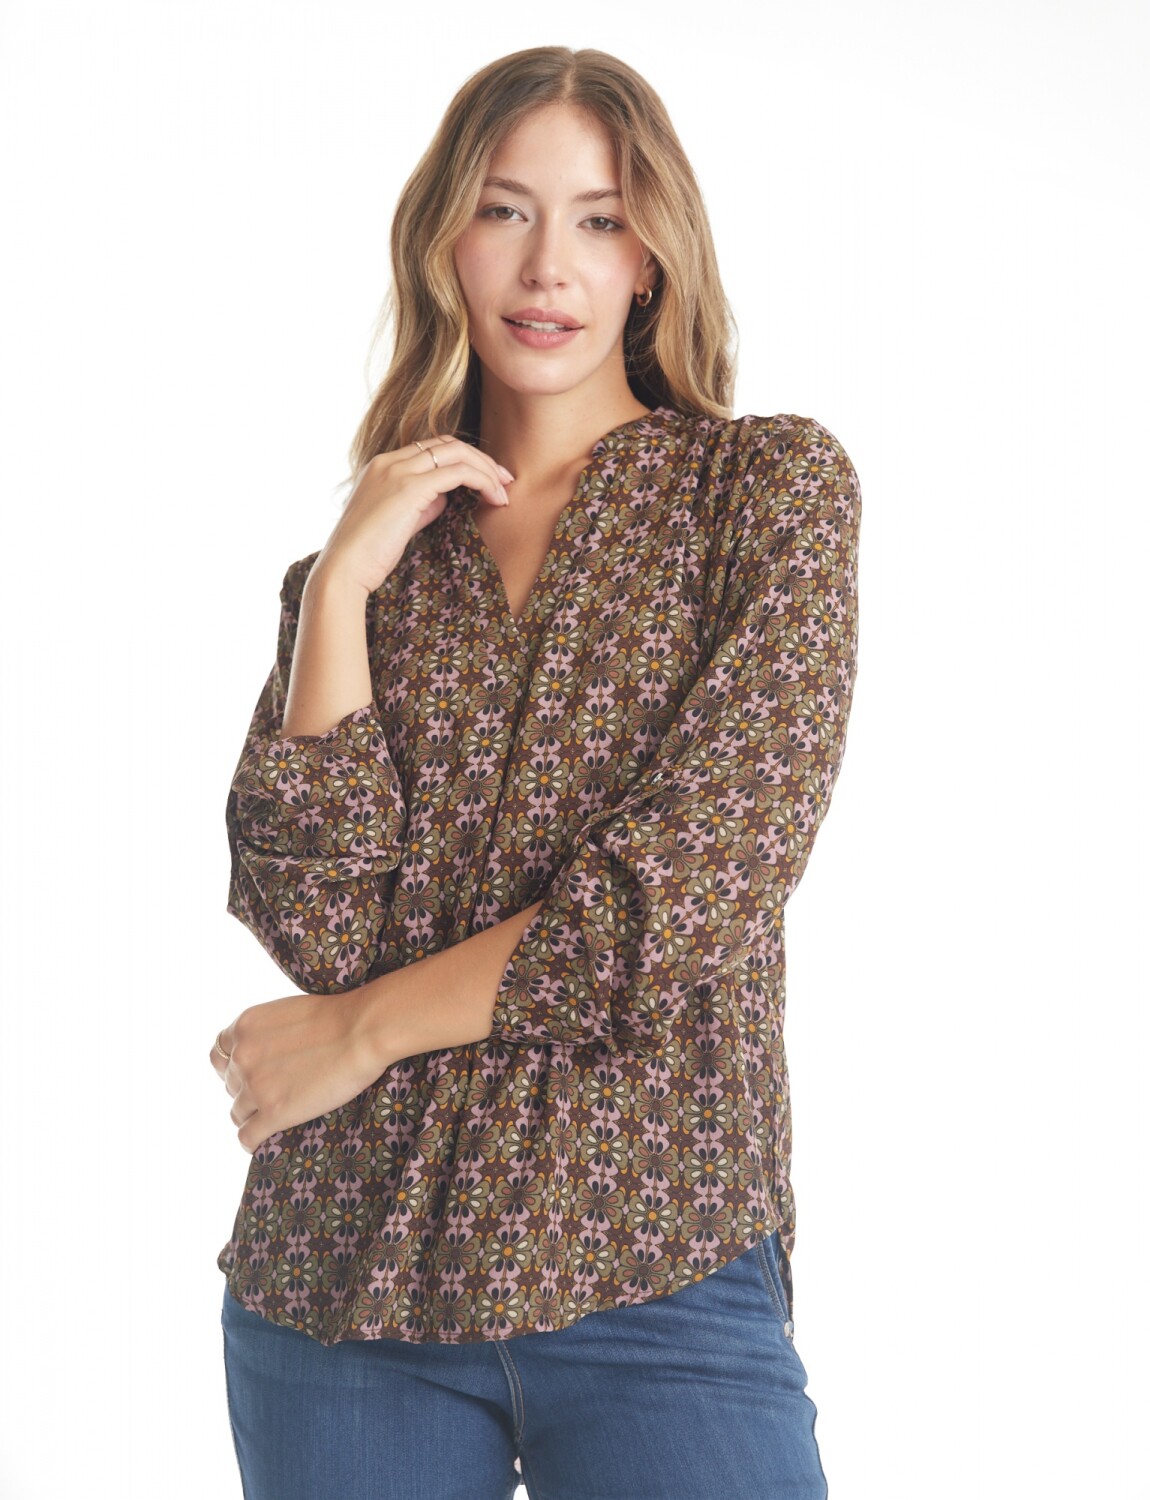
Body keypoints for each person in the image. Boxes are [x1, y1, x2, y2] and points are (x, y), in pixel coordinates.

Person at [210, 43, 860, 1500]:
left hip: (657, 1259)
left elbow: (685, 892)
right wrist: (338, 589)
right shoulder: (363, 565)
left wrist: (360, 1034)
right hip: (341, 1280)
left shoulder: (764, 493)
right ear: (443, 237)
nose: (547, 264)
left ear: (653, 259)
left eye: (599, 218)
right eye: (504, 210)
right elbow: (318, 921)